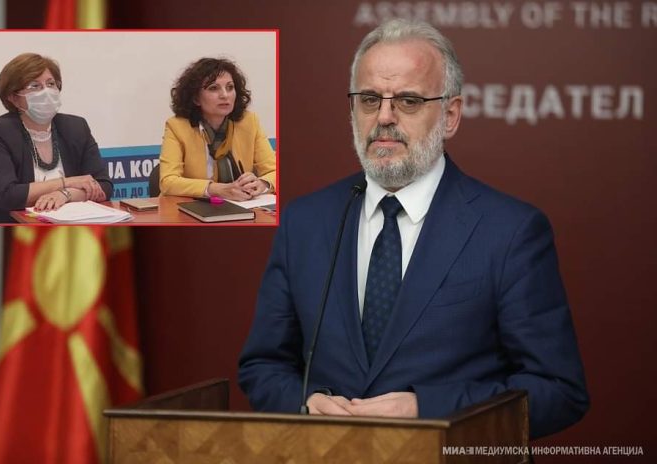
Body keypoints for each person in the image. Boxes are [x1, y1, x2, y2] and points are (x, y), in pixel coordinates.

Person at [238, 19, 589, 439]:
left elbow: (558, 391)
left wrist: (428, 410)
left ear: (450, 115)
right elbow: (263, 366)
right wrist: (305, 403)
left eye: (408, 101)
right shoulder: (305, 222)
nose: (384, 118)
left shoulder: (511, 231)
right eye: (370, 99)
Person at [0, 53, 112, 224]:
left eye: (51, 84)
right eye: (35, 86)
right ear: (14, 98)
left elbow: (104, 186)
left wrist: (65, 194)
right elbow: (8, 195)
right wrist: (68, 182)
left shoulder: (76, 127)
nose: (46, 92)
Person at [158, 58, 276, 200]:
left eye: (230, 87)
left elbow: (275, 171)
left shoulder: (249, 122)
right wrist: (216, 189)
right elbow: (168, 181)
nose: (225, 95)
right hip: (192, 206)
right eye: (213, 88)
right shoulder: (177, 127)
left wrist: (263, 183)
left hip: (241, 205)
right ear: (196, 98)